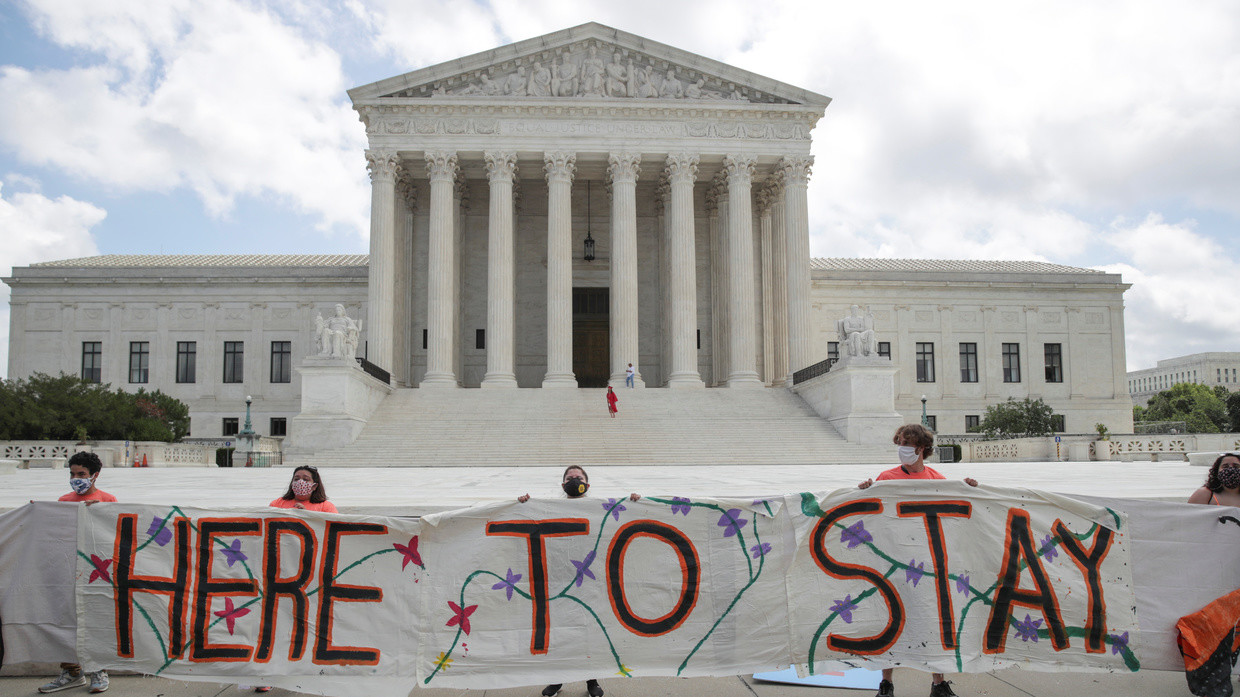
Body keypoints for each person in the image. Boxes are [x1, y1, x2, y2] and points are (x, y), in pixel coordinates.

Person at [857, 424, 977, 697]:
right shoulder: (887, 477)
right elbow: (874, 509)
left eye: (906, 444)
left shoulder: (937, 479)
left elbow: (956, 508)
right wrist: (863, 491)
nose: (901, 449)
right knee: (891, 619)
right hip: (896, 559)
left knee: (934, 618)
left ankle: (938, 683)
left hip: (928, 561)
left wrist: (970, 490)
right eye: (899, 443)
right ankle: (886, 684)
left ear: (921, 449)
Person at [517, 466, 639, 697]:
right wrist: (522, 503)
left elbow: (618, 522)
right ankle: (557, 679)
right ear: (563, 485)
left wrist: (635, 502)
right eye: (570, 478)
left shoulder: (598, 509)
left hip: (590, 581)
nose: (574, 480)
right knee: (561, 633)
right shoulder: (551, 507)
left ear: (587, 484)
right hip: (560, 580)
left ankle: (591, 681)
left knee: (588, 633)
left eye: (578, 477)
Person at [39, 452, 113, 694]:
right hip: (68, 569)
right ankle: (72, 671)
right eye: (72, 474)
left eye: (81, 474)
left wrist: (98, 512)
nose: (75, 478)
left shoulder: (108, 500)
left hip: (96, 571)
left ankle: (98, 670)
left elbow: (116, 533)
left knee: (95, 620)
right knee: (66, 621)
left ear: (95, 476)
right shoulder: (63, 500)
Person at [269, 466, 338, 513]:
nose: (300, 482)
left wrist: (307, 516)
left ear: (314, 486)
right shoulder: (277, 504)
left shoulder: (326, 507)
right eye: (296, 479)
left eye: (306, 479)